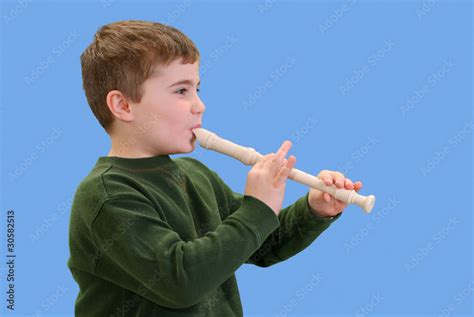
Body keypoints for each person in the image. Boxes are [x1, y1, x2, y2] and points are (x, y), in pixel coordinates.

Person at [67, 20, 363, 317]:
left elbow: (258, 242)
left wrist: (314, 209)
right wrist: (258, 208)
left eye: (197, 88)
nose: (200, 105)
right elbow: (180, 281)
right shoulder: (107, 195)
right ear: (123, 106)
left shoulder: (195, 174)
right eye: (181, 91)